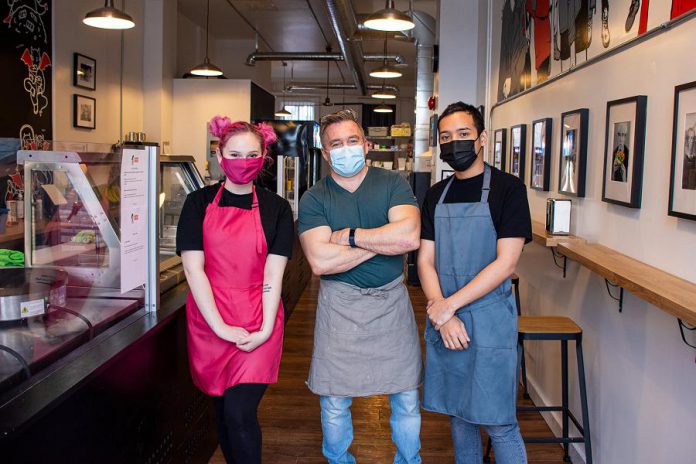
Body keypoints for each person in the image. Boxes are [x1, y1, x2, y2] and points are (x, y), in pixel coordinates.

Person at [298, 109, 423, 464]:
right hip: (340, 307)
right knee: (335, 401)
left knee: (406, 397)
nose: (345, 149)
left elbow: (410, 236)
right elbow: (320, 262)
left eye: (352, 141)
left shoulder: (393, 183)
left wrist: (350, 237)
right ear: (325, 153)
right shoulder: (315, 198)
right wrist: (383, 240)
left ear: (366, 144)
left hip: (391, 302)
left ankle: (408, 460)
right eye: (335, 144)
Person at [418, 102, 532, 464]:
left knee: (499, 422)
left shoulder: (507, 189)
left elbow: (506, 262)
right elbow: (425, 260)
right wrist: (442, 313)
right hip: (446, 319)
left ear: (482, 138)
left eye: (463, 135)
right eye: (446, 137)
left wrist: (449, 305)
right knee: (460, 415)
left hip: (489, 319)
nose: (455, 144)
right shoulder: (437, 194)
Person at [176, 116, 294, 464]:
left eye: (252, 154)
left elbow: (274, 272)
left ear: (264, 156)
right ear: (219, 154)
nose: (244, 162)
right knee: (223, 411)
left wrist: (266, 328)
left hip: (259, 317)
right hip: (210, 320)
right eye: (235, 153)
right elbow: (194, 270)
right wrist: (219, 327)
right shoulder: (198, 203)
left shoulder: (277, 208)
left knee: (240, 413)